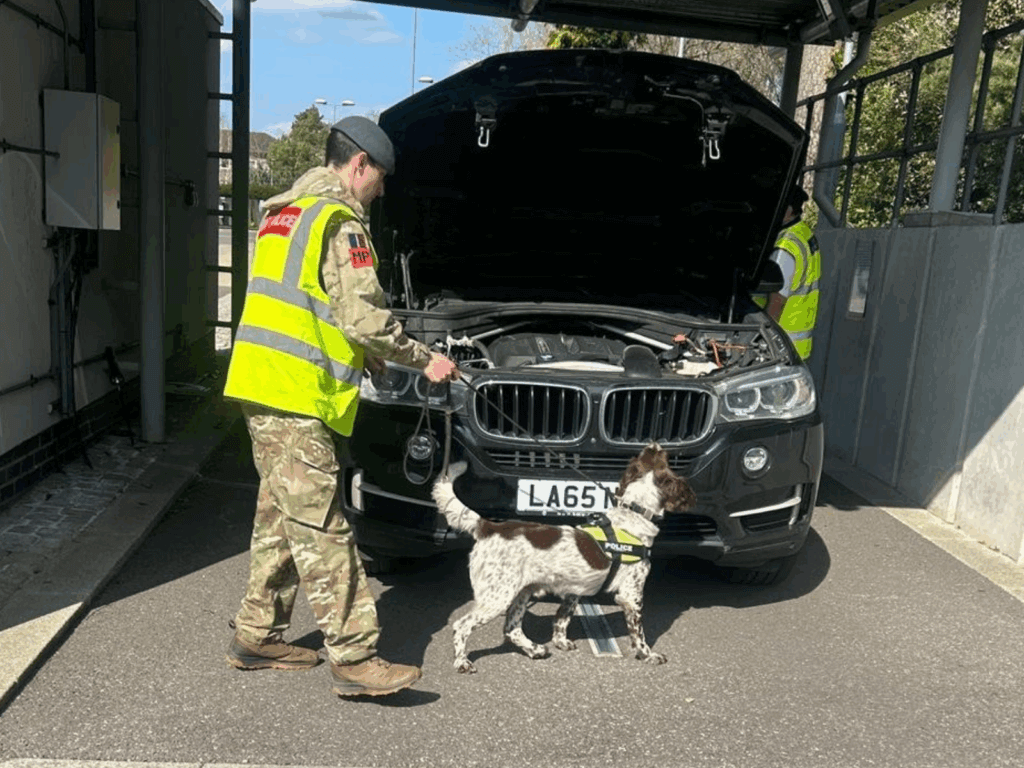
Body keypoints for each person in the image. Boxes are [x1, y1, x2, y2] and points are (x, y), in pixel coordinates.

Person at [221, 115, 458, 698]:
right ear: (359, 166)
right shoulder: (340, 221)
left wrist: (366, 359)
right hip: (294, 392)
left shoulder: (282, 210)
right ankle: (354, 657)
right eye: (379, 180)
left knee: (282, 517)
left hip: (263, 382)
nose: (380, 191)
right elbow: (363, 316)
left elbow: (307, 304)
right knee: (323, 526)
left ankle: (257, 634)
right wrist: (421, 358)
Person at [757, 186, 822, 360]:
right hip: (797, 346)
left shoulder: (785, 248)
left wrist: (759, 340)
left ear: (788, 211)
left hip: (778, 346)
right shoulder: (804, 233)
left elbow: (777, 301)